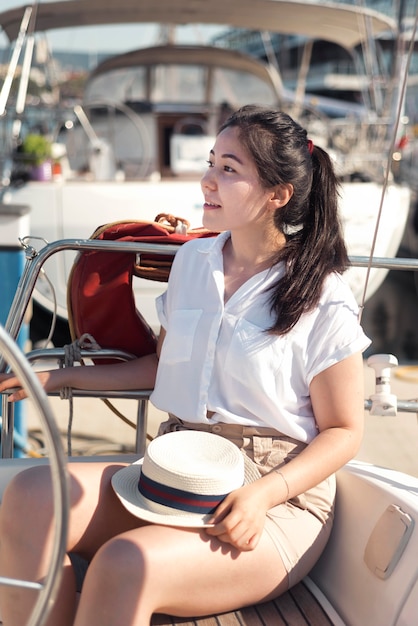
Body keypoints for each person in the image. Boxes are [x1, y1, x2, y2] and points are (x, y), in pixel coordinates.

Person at [0, 105, 370, 626]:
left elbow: (345, 430)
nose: (207, 181)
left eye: (229, 169)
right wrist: (58, 376)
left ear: (277, 195)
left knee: (124, 564)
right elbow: (160, 365)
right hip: (178, 471)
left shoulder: (321, 293)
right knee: (31, 497)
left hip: (276, 495)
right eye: (211, 162)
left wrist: (263, 495)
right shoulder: (194, 262)